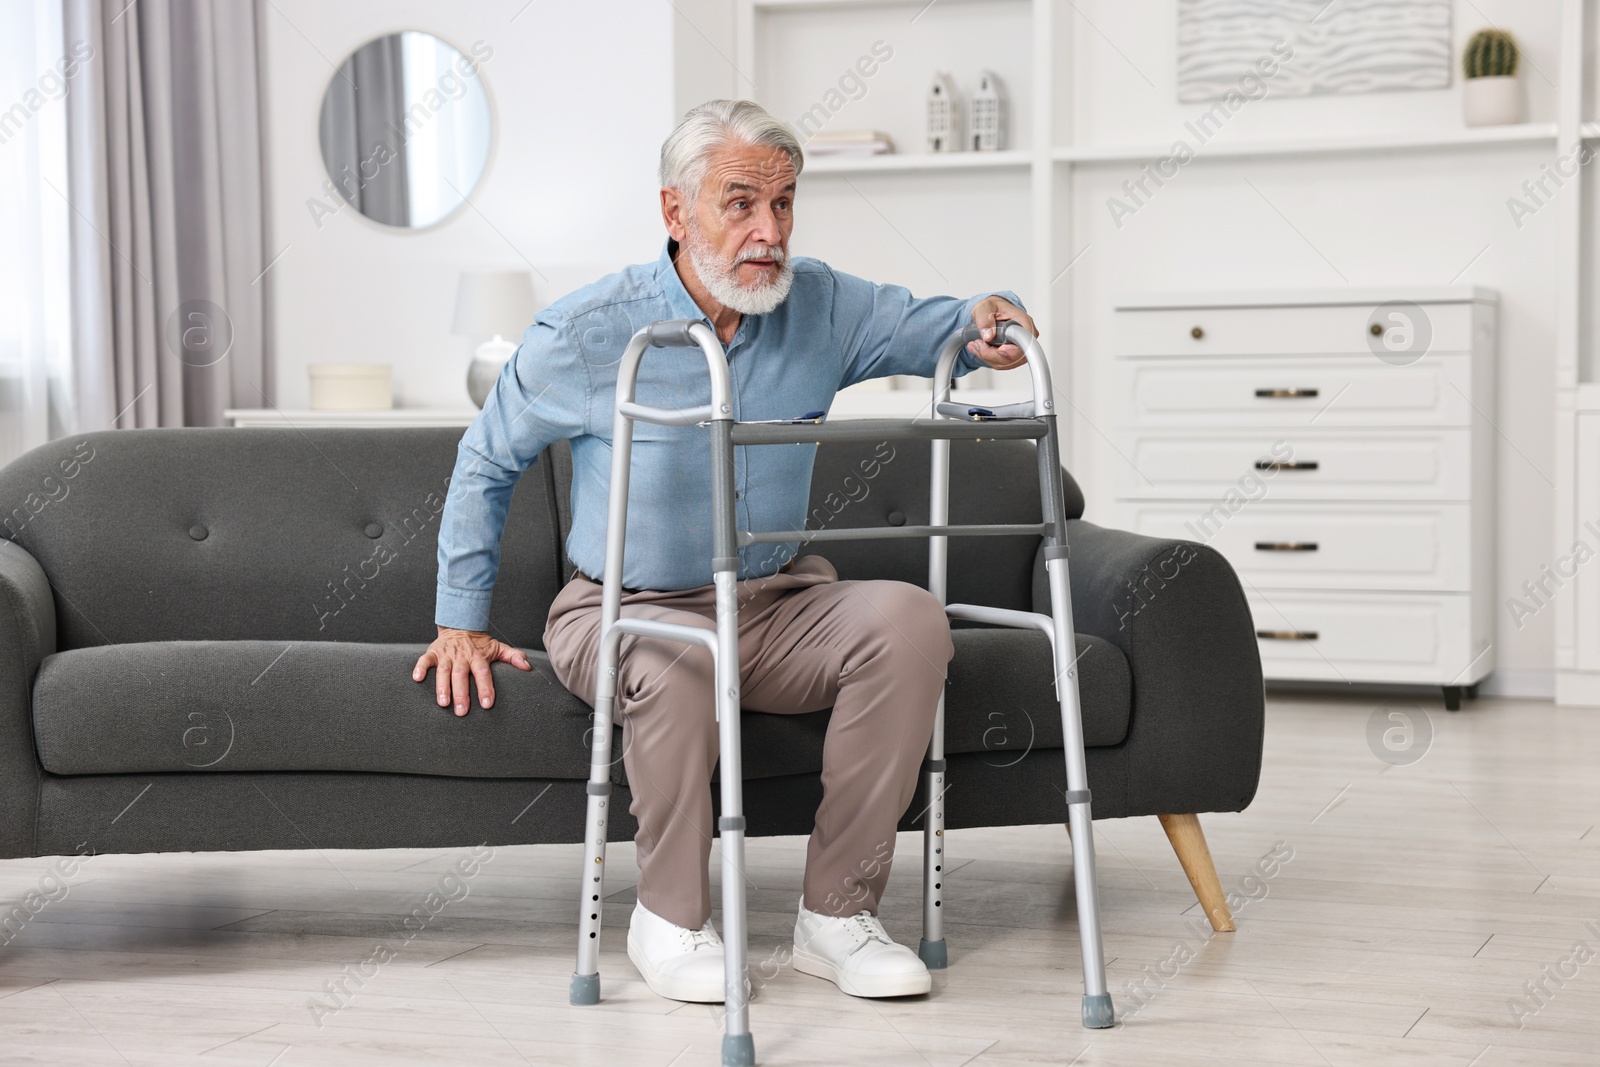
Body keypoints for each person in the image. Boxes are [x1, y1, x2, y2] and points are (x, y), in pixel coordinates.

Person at [413, 99, 1036, 1003]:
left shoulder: (818, 304)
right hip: (626, 609)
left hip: (775, 602)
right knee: (677, 662)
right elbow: (485, 460)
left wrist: (982, 319)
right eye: (739, 204)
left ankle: (837, 916)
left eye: (783, 206)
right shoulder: (586, 332)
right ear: (675, 212)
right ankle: (667, 919)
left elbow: (928, 325)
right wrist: (459, 622)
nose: (767, 232)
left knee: (908, 620)